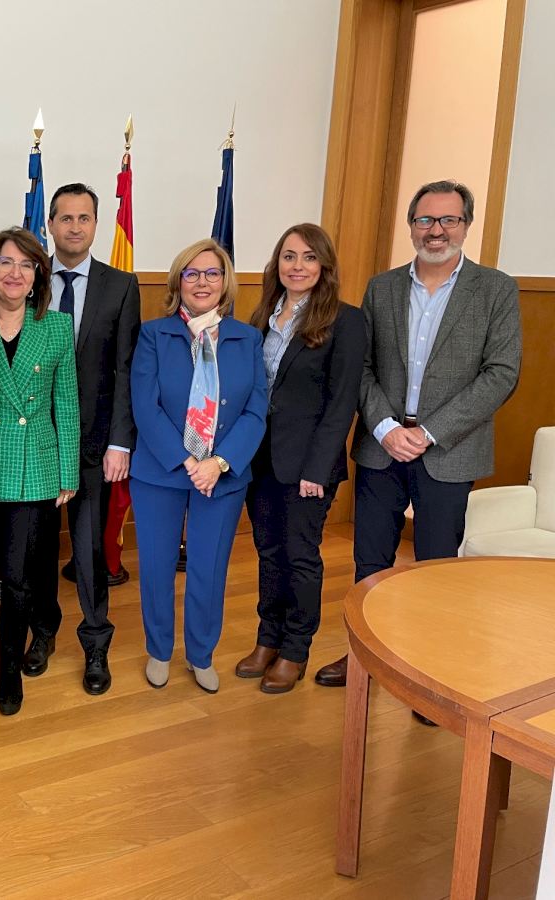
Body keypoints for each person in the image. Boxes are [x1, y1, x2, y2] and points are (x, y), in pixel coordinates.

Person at [314, 180, 521, 701]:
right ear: (411, 226)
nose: (436, 230)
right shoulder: (382, 288)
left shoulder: (495, 289)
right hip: (381, 446)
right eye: (426, 220)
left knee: (436, 567)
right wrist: (386, 428)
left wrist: (429, 433)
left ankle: (429, 674)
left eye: (449, 220)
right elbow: (360, 367)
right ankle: (363, 655)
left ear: (465, 226)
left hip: (449, 450)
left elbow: (501, 373)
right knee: (369, 562)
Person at [129, 238, 267, 694]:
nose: (202, 282)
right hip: (161, 471)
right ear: (178, 282)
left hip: (222, 476)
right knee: (157, 566)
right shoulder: (154, 334)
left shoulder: (247, 339)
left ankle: (201, 654)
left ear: (225, 282)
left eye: (212, 273)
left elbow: (255, 411)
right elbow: (145, 406)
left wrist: (219, 463)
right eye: (192, 273)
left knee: (209, 569)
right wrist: (188, 460)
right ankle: (159, 650)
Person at [236, 224, 365, 693]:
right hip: (259, 459)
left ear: (324, 266)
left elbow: (342, 401)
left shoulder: (345, 321)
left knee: (300, 556)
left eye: (309, 257)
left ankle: (295, 649)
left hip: (308, 466)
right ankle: (267, 638)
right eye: (289, 256)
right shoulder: (262, 316)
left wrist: (317, 468)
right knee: (268, 552)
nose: (297, 266)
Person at [24, 183, 141, 695]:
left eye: (84, 218)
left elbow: (126, 369)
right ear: (49, 224)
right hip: (37, 443)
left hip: (95, 446)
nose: (74, 226)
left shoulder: (122, 285)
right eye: (65, 218)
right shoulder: (28, 278)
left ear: (96, 225)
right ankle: (42, 632)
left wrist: (120, 442)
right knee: (38, 548)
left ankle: (96, 643)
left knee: (91, 551)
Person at [0, 227, 78, 715]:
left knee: (20, 579)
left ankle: (10, 669)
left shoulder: (56, 326)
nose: (15, 273)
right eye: (6, 262)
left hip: (35, 468)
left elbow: (65, 402)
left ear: (38, 277)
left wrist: (68, 472)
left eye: (27, 265)